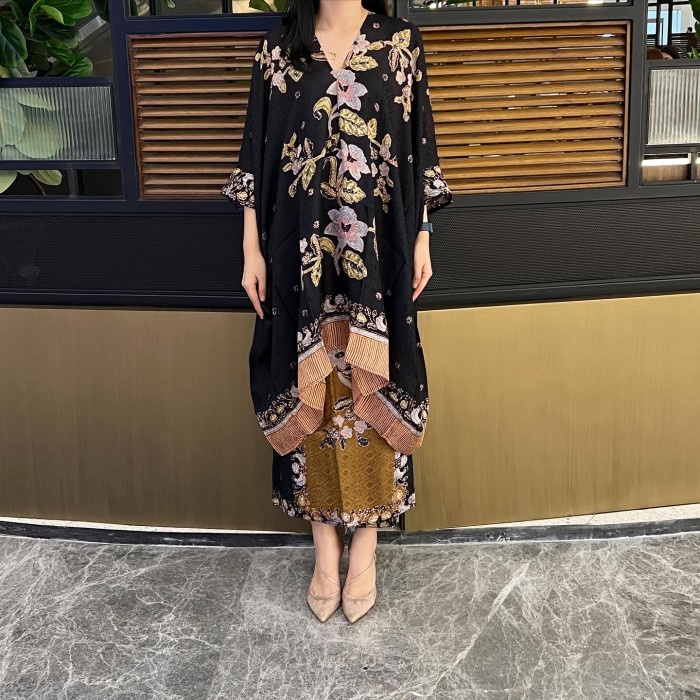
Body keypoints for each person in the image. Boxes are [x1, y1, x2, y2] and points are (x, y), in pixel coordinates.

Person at [221, 0, 453, 623]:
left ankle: (366, 549)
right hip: (298, 256)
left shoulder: (399, 45)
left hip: (378, 254)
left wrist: (423, 235)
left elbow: (419, 148)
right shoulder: (279, 50)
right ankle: (325, 551)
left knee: (370, 385)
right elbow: (255, 155)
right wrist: (250, 249)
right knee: (315, 393)